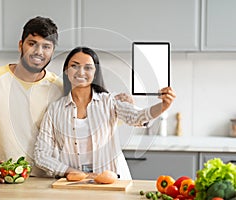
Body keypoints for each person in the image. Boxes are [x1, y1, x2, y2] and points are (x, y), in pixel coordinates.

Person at [34, 47, 176, 180]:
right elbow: (41, 155)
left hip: (113, 182)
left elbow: (137, 116)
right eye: (75, 66)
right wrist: (69, 171)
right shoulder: (54, 110)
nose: (81, 72)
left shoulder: (109, 102)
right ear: (66, 70)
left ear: (95, 72)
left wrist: (163, 106)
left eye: (88, 67)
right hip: (75, 184)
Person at [0, 16, 63, 183]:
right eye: (32, 43)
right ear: (21, 45)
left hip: (45, 183)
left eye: (46, 46)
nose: (39, 51)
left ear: (52, 51)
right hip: (0, 179)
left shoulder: (59, 89)